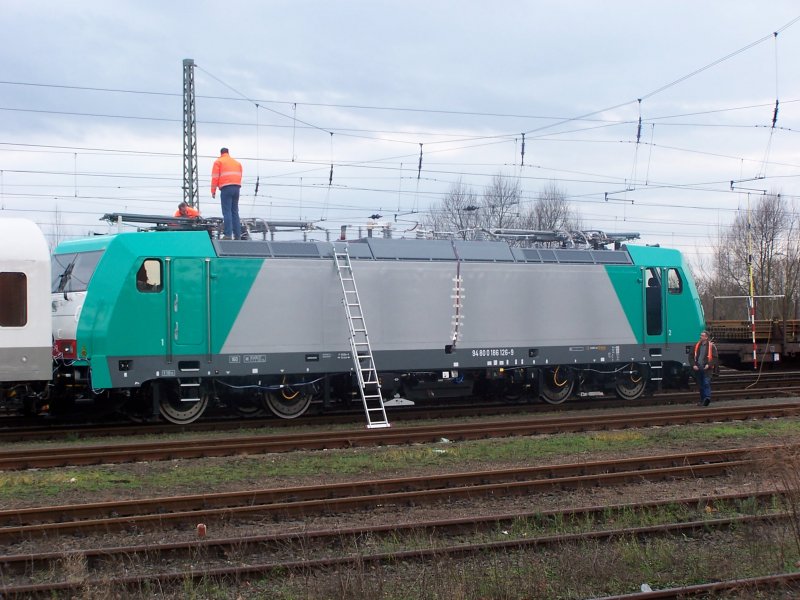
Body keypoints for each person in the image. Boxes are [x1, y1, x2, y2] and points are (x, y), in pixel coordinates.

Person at [210, 147, 243, 240]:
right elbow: (240, 175)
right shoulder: (237, 163)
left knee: (227, 211)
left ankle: (228, 235)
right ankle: (237, 235)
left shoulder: (218, 162)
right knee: (235, 212)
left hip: (226, 188)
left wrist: (213, 191)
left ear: (221, 153)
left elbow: (215, 177)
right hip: (237, 188)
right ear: (228, 153)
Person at [692, 330, 717, 406]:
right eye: (700, 335)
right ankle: (703, 400)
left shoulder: (711, 346)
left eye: (702, 335)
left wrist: (709, 365)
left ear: (706, 337)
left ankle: (707, 398)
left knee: (706, 383)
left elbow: (715, 358)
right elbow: (691, 356)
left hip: (707, 369)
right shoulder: (696, 345)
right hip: (698, 368)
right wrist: (693, 365)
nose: (700, 337)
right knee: (700, 385)